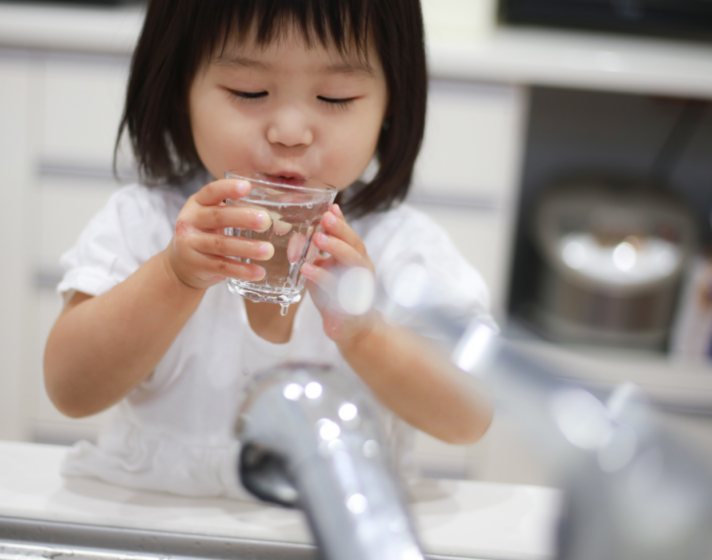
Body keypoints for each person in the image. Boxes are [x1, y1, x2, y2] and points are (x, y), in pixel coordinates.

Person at [43, 0, 496, 499]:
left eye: (335, 96)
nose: (289, 133)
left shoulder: (404, 251)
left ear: (391, 105)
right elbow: (71, 388)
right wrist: (173, 278)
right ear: (179, 91)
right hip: (153, 525)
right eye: (249, 91)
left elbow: (469, 417)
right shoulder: (146, 225)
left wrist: (365, 333)